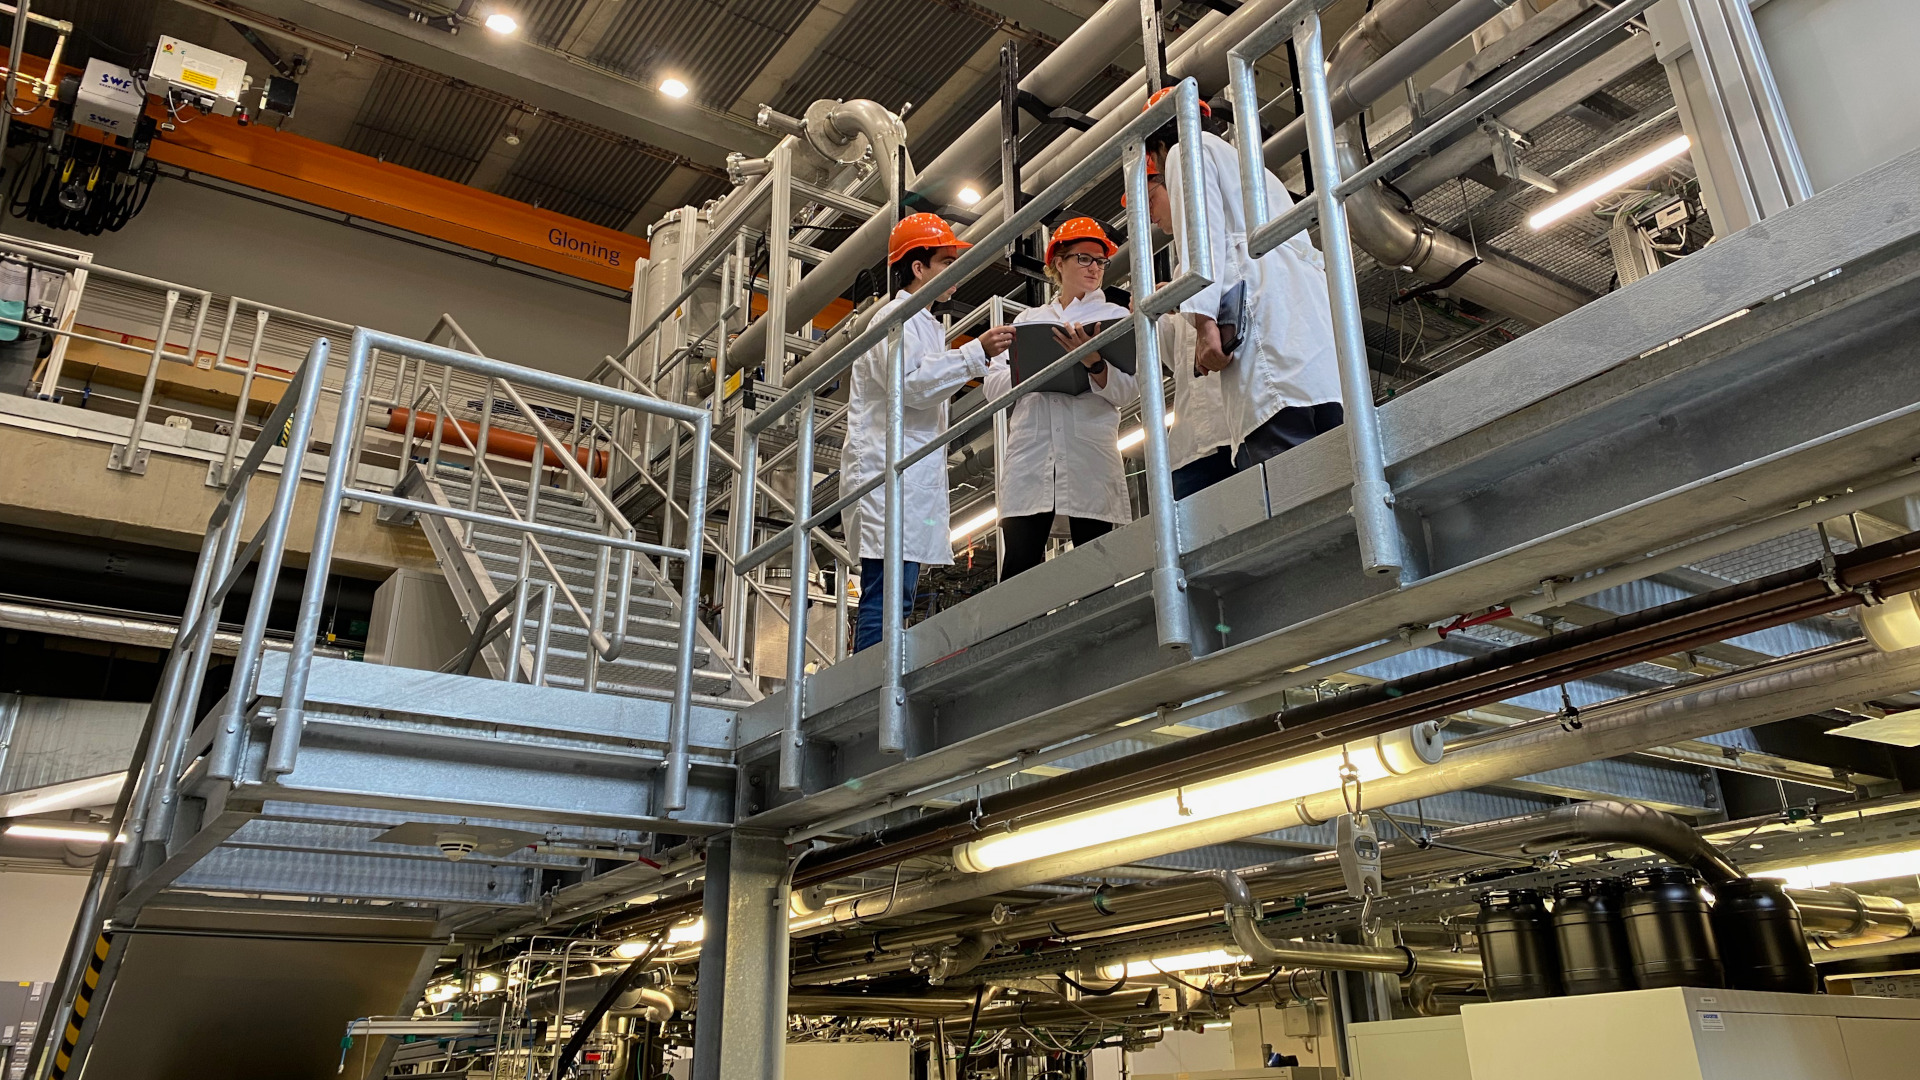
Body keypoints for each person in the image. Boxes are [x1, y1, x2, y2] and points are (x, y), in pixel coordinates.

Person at [1144, 87, 1343, 493]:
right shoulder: (1258, 172)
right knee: (1333, 476)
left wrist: (1203, 325)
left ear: (1156, 147)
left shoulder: (1186, 152)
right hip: (1315, 360)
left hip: (1269, 357)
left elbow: (1204, 241)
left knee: (1288, 495)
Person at [843, 213, 1016, 652]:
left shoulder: (928, 326)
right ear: (917, 267)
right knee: (886, 600)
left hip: (909, 484)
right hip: (886, 481)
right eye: (945, 262)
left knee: (898, 600)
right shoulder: (893, 317)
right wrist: (974, 352)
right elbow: (911, 386)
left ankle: (881, 686)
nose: (954, 274)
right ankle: (867, 694)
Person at [982, 217, 1138, 581]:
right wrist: (1034, 372)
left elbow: (1130, 390)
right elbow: (992, 388)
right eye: (1083, 258)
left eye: (1100, 261)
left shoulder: (1114, 317)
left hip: (1089, 454)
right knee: (1019, 570)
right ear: (1058, 263)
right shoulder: (1027, 320)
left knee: (1095, 570)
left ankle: (1096, 637)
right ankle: (1016, 639)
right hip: (1031, 456)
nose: (1094, 268)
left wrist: (1093, 361)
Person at [1136, 156, 1234, 500]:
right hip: (1191, 446)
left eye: (1150, 198)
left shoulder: (1229, 245)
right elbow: (1176, 362)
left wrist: (1180, 299)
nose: (1148, 212)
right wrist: (1151, 317)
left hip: (1233, 430)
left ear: (1176, 183)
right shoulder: (1182, 269)